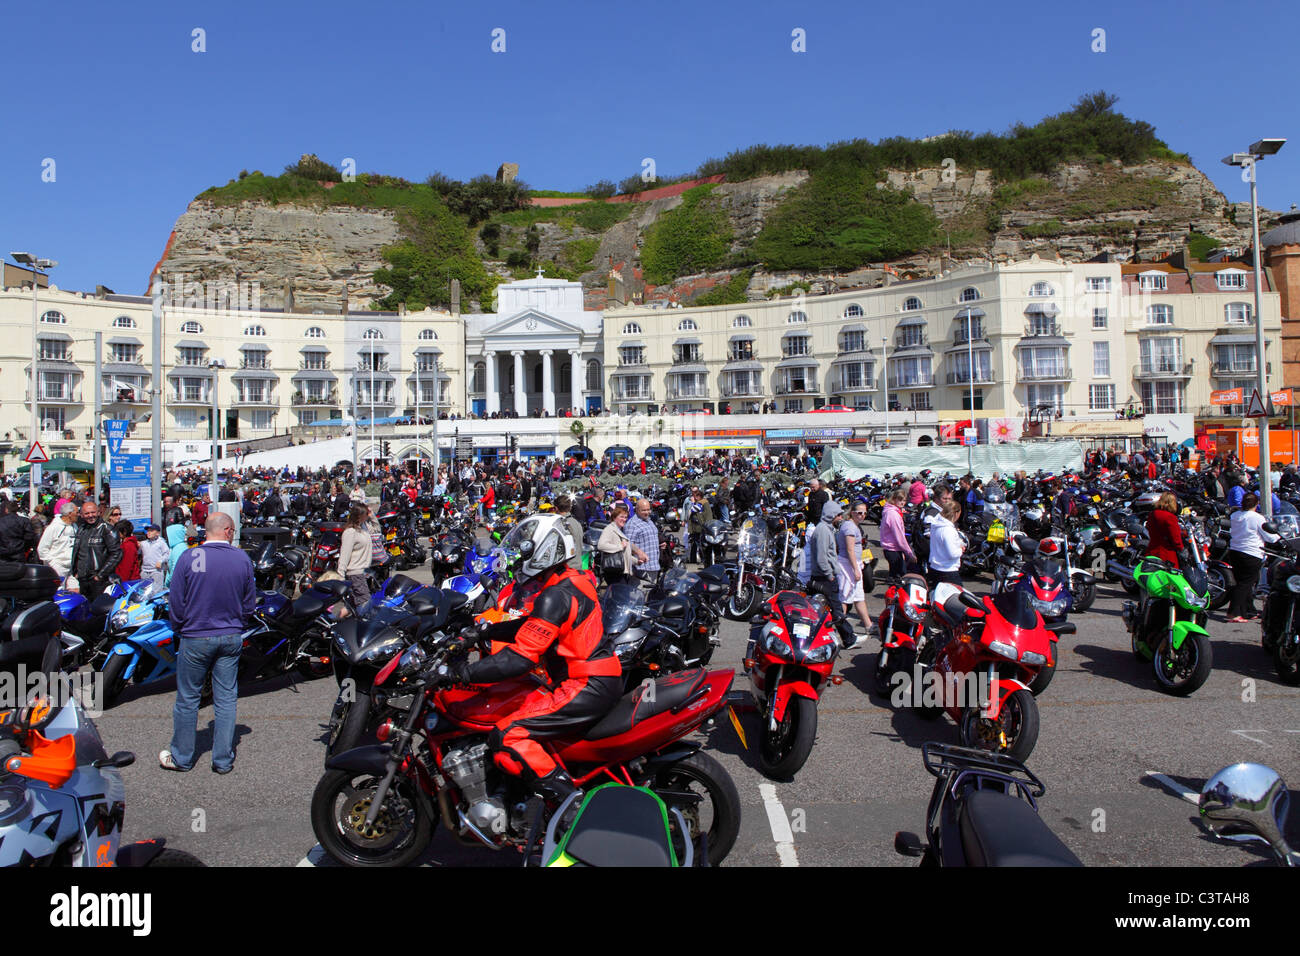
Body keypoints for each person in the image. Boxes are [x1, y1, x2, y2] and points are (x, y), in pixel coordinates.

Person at [437, 515, 621, 805]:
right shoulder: (571, 581)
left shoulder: (555, 595)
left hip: (584, 684)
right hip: (600, 679)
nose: (516, 558)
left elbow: (520, 659)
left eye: (524, 550)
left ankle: (571, 807)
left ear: (545, 550)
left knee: (507, 734)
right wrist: (482, 631)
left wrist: (461, 674)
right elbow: (532, 625)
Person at [160, 512, 256, 775]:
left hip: (195, 634)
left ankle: (182, 757)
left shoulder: (191, 557)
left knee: (188, 698)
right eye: (233, 530)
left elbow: (176, 600)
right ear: (227, 530)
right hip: (230, 634)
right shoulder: (241, 558)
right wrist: (238, 623)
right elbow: (249, 602)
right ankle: (222, 759)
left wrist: (180, 627)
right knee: (226, 697)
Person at [805, 501, 860, 649]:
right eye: (838, 515)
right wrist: (830, 575)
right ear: (831, 515)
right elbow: (822, 558)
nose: (841, 518)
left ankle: (845, 638)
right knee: (836, 609)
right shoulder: (823, 531)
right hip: (824, 578)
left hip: (823, 577)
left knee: (823, 610)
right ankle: (849, 639)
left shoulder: (825, 529)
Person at [1226, 493, 1279, 623]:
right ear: (1256, 504)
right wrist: (1279, 537)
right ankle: (1233, 612)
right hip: (1251, 552)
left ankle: (1248, 611)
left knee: (1243, 582)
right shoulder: (1257, 518)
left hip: (1235, 551)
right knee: (1246, 583)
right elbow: (1269, 537)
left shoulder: (1234, 515)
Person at [67, 501, 122, 602]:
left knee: (98, 610)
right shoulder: (81, 529)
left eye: (93, 512)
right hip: (83, 578)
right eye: (87, 513)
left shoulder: (107, 529)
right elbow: (78, 551)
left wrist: (100, 575)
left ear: (98, 512)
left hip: (99, 580)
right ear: (82, 515)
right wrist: (75, 571)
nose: (90, 516)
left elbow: (116, 554)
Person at [838, 502, 874, 636]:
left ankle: (868, 625)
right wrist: (855, 569)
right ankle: (840, 628)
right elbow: (850, 550)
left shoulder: (854, 526)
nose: (862, 516)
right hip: (848, 565)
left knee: (858, 596)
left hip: (855, 564)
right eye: (859, 513)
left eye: (865, 513)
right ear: (852, 512)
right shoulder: (849, 527)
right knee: (844, 598)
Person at [596, 503, 645, 586]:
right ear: (614, 517)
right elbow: (601, 545)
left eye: (625, 517)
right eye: (621, 517)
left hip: (620, 571)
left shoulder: (619, 530)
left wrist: (637, 561)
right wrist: (620, 546)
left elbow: (623, 554)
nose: (624, 519)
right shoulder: (609, 529)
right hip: (614, 571)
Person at [338, 504, 373, 611]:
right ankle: (362, 626)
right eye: (366, 514)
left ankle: (332, 620)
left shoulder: (363, 529)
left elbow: (376, 529)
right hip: (355, 574)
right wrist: (340, 576)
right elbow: (344, 555)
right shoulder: (350, 532)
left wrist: (372, 515)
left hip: (363, 572)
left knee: (352, 604)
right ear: (359, 516)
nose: (367, 516)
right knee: (365, 604)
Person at [927, 499, 965, 589]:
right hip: (948, 571)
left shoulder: (935, 525)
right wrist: (961, 550)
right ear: (956, 513)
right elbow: (952, 554)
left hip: (935, 567)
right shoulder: (948, 530)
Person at [37, 502, 79, 582]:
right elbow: (42, 549)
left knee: (73, 592)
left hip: (71, 567)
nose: (78, 515)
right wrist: (53, 563)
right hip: (57, 567)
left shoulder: (75, 527)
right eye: (76, 512)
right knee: (58, 592)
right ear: (70, 514)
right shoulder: (53, 527)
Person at [1142, 492, 1183, 568]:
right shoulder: (1170, 517)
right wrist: (1181, 548)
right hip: (1166, 554)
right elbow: (1176, 539)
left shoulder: (1152, 514)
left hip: (1151, 550)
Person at [625, 497, 660, 581]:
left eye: (648, 510)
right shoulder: (632, 524)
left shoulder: (649, 521)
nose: (647, 512)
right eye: (643, 510)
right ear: (636, 510)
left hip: (653, 566)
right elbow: (627, 544)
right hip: (641, 569)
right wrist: (639, 553)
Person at [0, 498, 37, 562]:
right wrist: (24, 547)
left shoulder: (1, 521)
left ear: (6, 510)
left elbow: (29, 536)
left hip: (4, 552)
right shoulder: (24, 521)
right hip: (18, 551)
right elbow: (30, 537)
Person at [686, 487, 713, 566]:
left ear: (698, 497)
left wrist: (693, 502)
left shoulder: (701, 503)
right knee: (696, 543)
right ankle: (695, 559)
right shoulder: (704, 502)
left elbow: (693, 510)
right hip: (701, 526)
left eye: (695, 496)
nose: (694, 498)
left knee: (699, 543)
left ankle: (701, 559)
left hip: (700, 527)